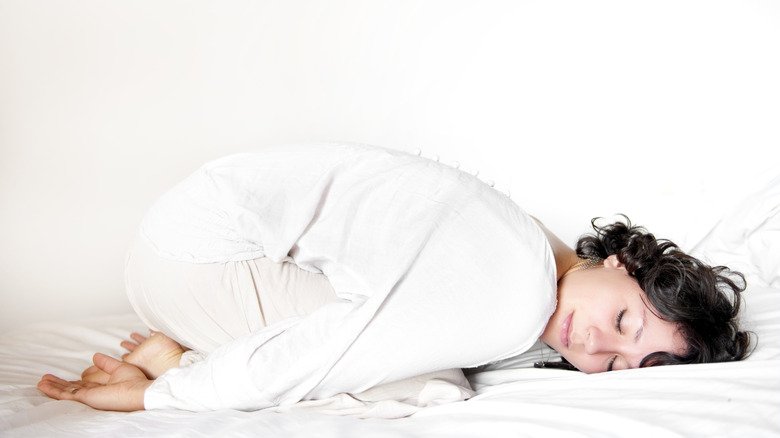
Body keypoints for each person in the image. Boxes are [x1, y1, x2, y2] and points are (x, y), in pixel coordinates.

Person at [37, 143, 751, 412]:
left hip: (179, 241)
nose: (596, 350)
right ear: (621, 263)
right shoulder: (514, 289)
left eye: (621, 366)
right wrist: (162, 395)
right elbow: (317, 352)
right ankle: (178, 354)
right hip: (198, 267)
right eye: (625, 322)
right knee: (432, 387)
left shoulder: (534, 245)